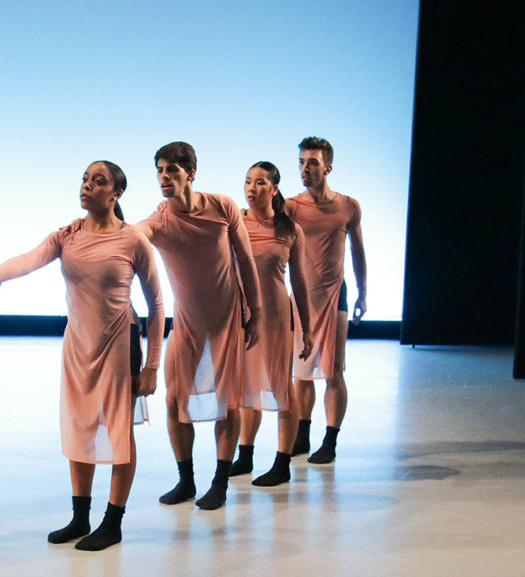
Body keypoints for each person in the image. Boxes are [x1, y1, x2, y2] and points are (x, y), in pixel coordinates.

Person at [0, 161, 163, 551]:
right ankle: (81, 518)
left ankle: (112, 523)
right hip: (77, 345)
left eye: (98, 182)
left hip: (119, 346)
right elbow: (25, 261)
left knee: (118, 434)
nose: (87, 186)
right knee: (79, 427)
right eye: (84, 179)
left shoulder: (133, 241)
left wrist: (152, 365)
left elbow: (157, 304)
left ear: (116, 193)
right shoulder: (67, 235)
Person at [136, 142, 262, 510]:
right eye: (160, 170)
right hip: (188, 323)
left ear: (190, 173)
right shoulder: (160, 220)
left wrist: (254, 310)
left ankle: (220, 481)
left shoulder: (222, 206)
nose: (164, 177)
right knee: (175, 402)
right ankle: (186, 480)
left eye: (172, 170)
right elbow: (137, 232)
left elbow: (247, 260)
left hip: (227, 319)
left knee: (229, 402)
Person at [229, 161, 313, 486]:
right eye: (248, 181)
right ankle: (245, 456)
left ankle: (282, 463)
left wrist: (308, 329)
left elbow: (300, 284)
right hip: (241, 316)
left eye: (260, 182)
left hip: (277, 316)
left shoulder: (289, 230)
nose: (252, 188)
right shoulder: (233, 222)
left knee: (281, 387)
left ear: (274, 189)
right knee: (245, 387)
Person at [286, 137, 367, 464]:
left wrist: (364, 292)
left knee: (333, 370)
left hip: (335, 295)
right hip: (301, 299)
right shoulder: (291, 206)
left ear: (327, 167)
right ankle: (302, 437)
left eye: (313, 163)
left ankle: (330, 441)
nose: (305, 168)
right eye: (302, 162)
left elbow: (358, 251)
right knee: (301, 372)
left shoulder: (348, 206)